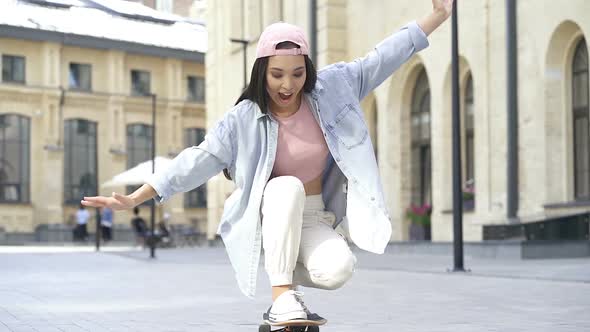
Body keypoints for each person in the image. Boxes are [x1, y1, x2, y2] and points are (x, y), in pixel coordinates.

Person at [82, 0, 452, 324]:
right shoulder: (243, 118)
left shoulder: (334, 87)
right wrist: (137, 197)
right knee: (286, 185)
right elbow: (198, 159)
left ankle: (284, 278)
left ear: (307, 68)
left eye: (297, 73)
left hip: (315, 214)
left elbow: (384, 57)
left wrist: (436, 16)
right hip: (270, 209)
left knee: (338, 270)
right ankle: (280, 297)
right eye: (277, 74)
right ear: (262, 71)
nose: (287, 85)